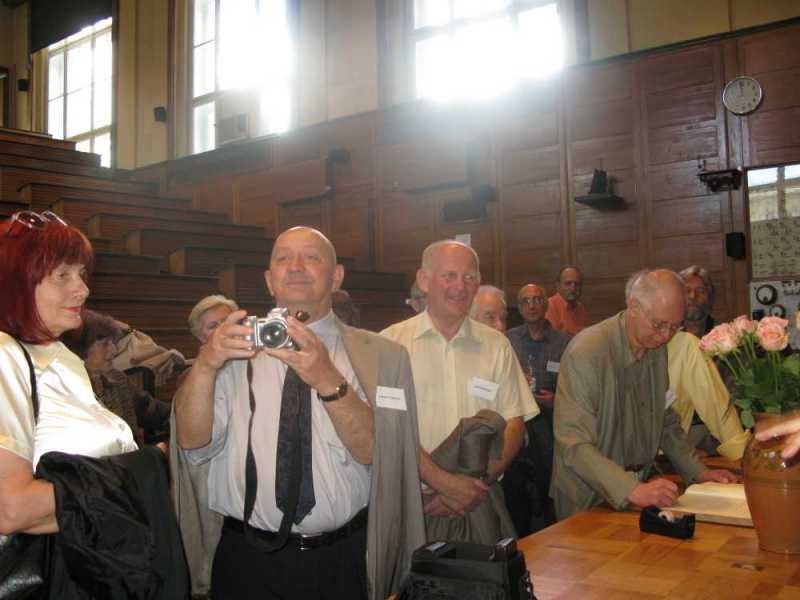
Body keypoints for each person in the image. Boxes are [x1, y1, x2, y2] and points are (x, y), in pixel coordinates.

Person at [173, 226, 424, 600]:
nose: (295, 266)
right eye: (283, 258)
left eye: (311, 257)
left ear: (336, 277)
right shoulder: (230, 350)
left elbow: (378, 453)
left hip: (341, 560)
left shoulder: (383, 356)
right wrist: (206, 365)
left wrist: (327, 378)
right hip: (246, 559)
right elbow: (193, 444)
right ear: (269, 279)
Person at [0, 210, 186, 598]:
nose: (82, 290)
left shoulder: (61, 358)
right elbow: (11, 509)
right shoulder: (4, 355)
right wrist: (145, 470)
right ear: (17, 280)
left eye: (82, 274)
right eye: (62, 276)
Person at [382, 240, 538, 544]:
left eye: (469, 277)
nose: (460, 286)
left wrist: (471, 486)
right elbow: (385, 430)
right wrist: (444, 484)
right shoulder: (390, 345)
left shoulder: (497, 345)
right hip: (413, 503)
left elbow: (514, 424)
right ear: (424, 280)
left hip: (481, 500)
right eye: (449, 276)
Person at [551, 269, 737, 521]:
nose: (666, 336)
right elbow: (574, 445)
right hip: (587, 498)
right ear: (633, 307)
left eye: (675, 327)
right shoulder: (586, 353)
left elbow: (664, 419)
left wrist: (697, 471)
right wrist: (631, 490)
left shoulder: (656, 346)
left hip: (639, 489)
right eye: (659, 325)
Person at [504, 283, 571, 534]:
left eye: (537, 300)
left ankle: (550, 532)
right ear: (519, 307)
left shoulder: (564, 342)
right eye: (525, 301)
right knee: (516, 487)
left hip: (550, 422)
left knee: (547, 486)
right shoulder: (508, 339)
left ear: (546, 304)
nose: (532, 305)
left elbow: (575, 387)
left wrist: (557, 399)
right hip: (517, 422)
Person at [63, 309, 171, 447]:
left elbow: (154, 411)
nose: (114, 350)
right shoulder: (63, 391)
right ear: (79, 347)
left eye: (113, 343)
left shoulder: (116, 379)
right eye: (105, 344)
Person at [667, 331, 750, 459]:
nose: (665, 333)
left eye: (673, 326)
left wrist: (739, 453)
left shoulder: (684, 345)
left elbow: (716, 406)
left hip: (669, 453)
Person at [546, 266, 587, 336]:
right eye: (568, 284)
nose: (573, 288)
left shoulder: (580, 308)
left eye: (577, 284)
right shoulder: (549, 306)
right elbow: (552, 339)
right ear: (558, 286)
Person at [679, 265, 717, 338]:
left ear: (710, 296)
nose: (693, 296)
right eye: (687, 290)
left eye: (700, 290)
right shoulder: (666, 335)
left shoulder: (725, 335)